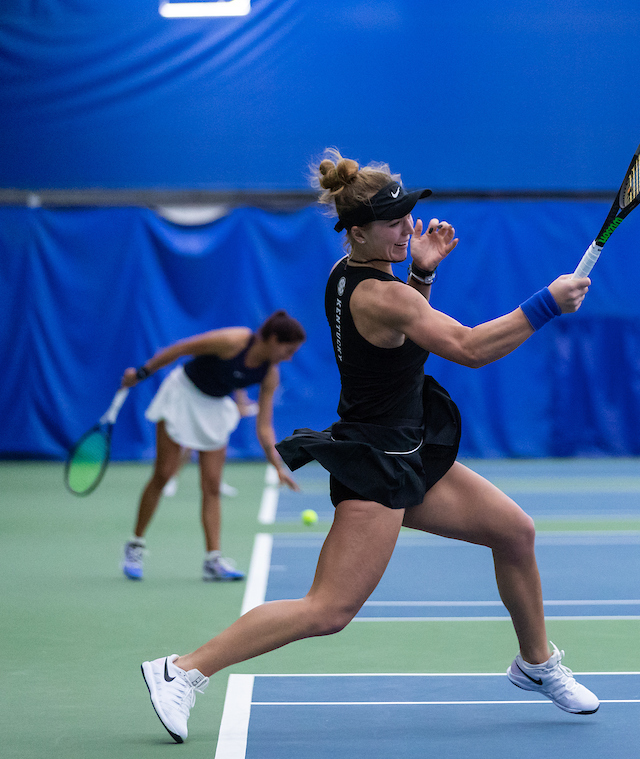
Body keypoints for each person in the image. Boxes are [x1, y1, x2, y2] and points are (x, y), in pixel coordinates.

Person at [138, 150, 597, 744]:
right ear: (358, 231)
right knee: (327, 609)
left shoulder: (347, 273)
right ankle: (181, 671)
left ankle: (536, 664)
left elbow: (400, 342)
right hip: (379, 463)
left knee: (514, 532)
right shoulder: (383, 295)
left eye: (408, 215)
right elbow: (468, 347)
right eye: (394, 221)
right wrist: (546, 305)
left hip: (410, 451)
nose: (409, 228)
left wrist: (424, 274)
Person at [120, 311, 306, 581]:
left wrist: (276, 466)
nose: (289, 357)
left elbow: (264, 426)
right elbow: (180, 348)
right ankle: (135, 545)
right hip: (182, 395)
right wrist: (141, 373)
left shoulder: (270, 374)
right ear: (274, 339)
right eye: (288, 350)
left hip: (215, 408)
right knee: (163, 474)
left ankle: (213, 561)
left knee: (212, 486)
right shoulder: (233, 340)